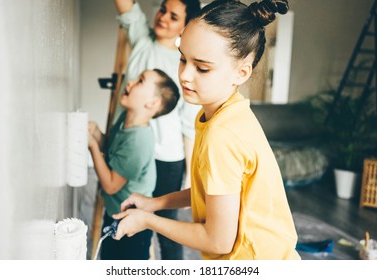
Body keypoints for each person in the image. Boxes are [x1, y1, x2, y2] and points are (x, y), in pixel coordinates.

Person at [112, 0, 301, 260]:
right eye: (182, 59)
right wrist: (153, 203)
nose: (185, 76)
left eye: (202, 68)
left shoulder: (222, 134)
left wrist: (148, 221)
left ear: (241, 72)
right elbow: (212, 192)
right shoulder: (222, 112)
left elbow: (218, 240)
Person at [113, 0, 201, 260]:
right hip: (133, 149)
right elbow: (125, 7)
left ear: (185, 25)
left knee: (165, 226)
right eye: (163, 9)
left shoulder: (185, 63)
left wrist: (189, 169)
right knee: (132, 220)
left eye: (174, 17)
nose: (163, 18)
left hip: (166, 159)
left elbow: (189, 123)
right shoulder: (141, 39)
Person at [88, 68, 180, 260]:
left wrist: (92, 148)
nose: (130, 82)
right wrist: (97, 134)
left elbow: (111, 185)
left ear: (152, 103)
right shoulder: (125, 119)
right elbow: (114, 151)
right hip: (116, 212)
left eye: (140, 81)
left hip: (134, 223)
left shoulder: (139, 141)